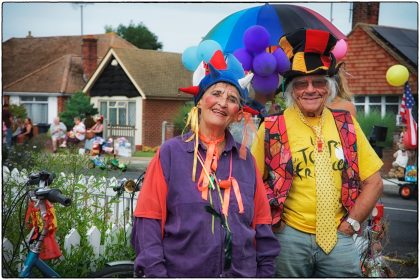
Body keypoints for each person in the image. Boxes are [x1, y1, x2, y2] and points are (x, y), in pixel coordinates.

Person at [131, 52, 280, 277]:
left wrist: (265, 274)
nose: (222, 103)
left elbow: (261, 224)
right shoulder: (171, 154)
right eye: (216, 93)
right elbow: (148, 220)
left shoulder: (245, 159)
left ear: (239, 113)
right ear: (200, 101)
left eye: (232, 99)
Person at [251, 29, 384, 277]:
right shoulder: (271, 127)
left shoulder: (347, 124)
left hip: (339, 235)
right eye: (301, 83)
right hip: (287, 236)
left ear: (329, 87)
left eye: (318, 82)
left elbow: (374, 182)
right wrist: (269, 222)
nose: (310, 89)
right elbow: (252, 182)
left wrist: (352, 223)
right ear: (291, 90)